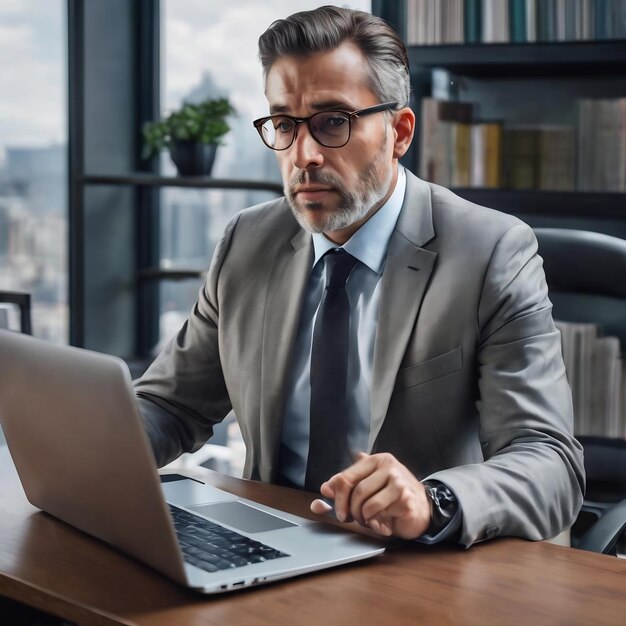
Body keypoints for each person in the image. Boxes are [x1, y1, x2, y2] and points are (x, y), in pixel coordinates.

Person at [135, 6, 584, 547]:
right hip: (266, 546)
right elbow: (172, 405)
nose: (304, 155)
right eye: (283, 124)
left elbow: (551, 462)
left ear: (398, 132)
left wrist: (433, 500)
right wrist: (81, 445)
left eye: (333, 122)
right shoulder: (246, 242)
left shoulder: (491, 252)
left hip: (416, 565)